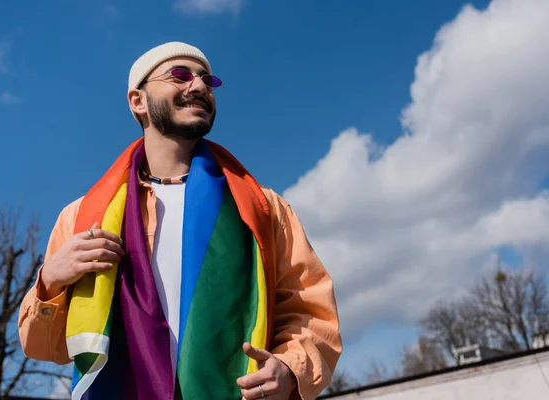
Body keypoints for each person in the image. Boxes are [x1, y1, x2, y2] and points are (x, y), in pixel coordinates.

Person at [18, 41, 342, 400]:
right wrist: (49, 282)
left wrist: (289, 368)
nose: (200, 86)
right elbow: (44, 348)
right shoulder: (81, 217)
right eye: (180, 75)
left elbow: (311, 313)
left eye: (207, 79)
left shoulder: (263, 208)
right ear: (137, 101)